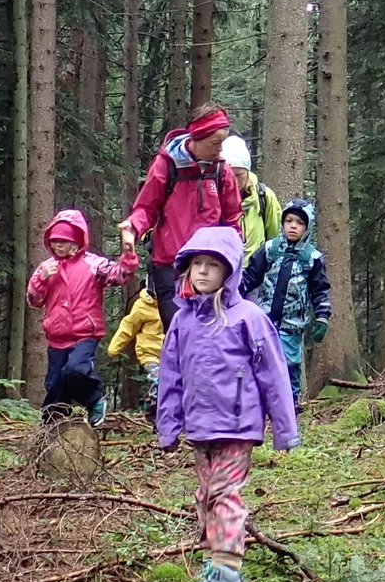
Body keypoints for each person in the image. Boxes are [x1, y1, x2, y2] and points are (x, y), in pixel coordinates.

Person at [157, 226, 299, 582]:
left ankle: (228, 577)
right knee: (205, 496)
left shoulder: (247, 318)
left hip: (238, 425)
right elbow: (171, 376)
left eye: (212, 265)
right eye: (195, 265)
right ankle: (213, 567)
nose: (202, 272)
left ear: (230, 271)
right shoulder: (182, 322)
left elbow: (273, 372)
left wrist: (285, 429)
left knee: (224, 494)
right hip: (200, 428)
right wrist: (168, 425)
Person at [123, 104, 242, 333]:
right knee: (177, 329)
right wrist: (132, 228)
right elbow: (146, 208)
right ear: (198, 137)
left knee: (208, 332)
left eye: (222, 144)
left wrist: (234, 260)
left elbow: (233, 219)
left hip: (208, 263)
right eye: (215, 143)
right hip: (169, 263)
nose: (219, 150)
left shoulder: (221, 170)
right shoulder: (167, 165)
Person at [27, 209, 138, 425]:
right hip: (57, 337)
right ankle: (52, 424)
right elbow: (34, 300)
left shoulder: (93, 264)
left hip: (85, 334)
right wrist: (41, 279)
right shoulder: (46, 268)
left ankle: (94, 399)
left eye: (64, 240)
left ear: (76, 241)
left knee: (76, 370)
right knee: (54, 384)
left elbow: (120, 274)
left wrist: (129, 254)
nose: (58, 245)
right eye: (55, 240)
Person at [241, 199, 331, 410]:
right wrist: (233, 294)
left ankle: (290, 402)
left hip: (292, 322)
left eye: (299, 222)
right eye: (288, 220)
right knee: (259, 357)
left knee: (289, 361)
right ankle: (258, 401)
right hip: (265, 319)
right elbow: (251, 276)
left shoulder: (312, 258)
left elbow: (320, 290)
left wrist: (322, 317)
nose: (292, 226)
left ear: (307, 228)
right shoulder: (270, 249)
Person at [108, 278, 165, 419]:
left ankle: (152, 402)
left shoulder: (172, 303)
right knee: (158, 379)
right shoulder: (142, 305)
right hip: (150, 354)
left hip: (171, 354)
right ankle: (153, 410)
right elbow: (128, 326)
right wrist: (114, 347)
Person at [221, 134, 282, 258]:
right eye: (229, 175)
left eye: (239, 175)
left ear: (248, 172)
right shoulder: (213, 200)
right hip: (223, 270)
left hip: (256, 273)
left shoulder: (264, 196)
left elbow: (276, 239)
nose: (234, 181)